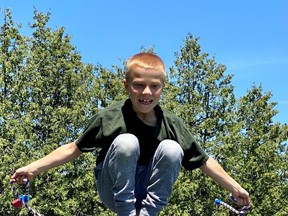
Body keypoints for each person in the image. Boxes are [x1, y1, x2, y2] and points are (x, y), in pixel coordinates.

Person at [11, 52, 250, 216]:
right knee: (127, 142)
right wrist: (33, 168)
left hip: (146, 191)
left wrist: (234, 188)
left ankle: (147, 214)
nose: (146, 92)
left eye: (154, 86)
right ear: (126, 84)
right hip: (113, 190)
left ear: (162, 88)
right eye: (138, 85)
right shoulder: (111, 117)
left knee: (172, 148)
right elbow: (74, 148)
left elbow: (204, 160)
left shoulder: (171, 123)